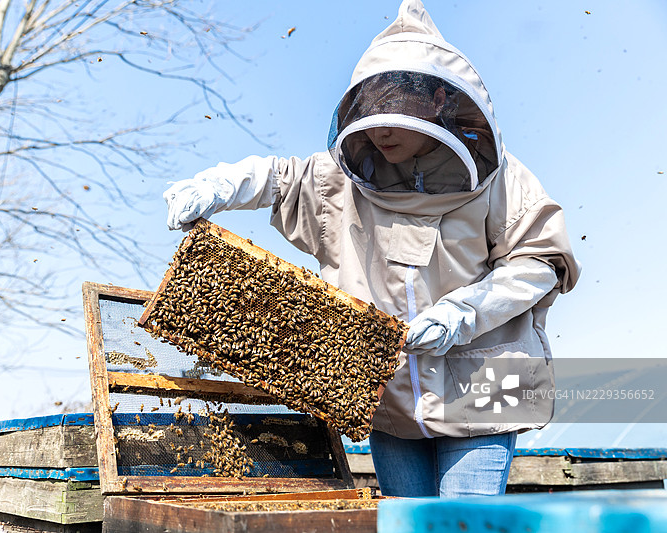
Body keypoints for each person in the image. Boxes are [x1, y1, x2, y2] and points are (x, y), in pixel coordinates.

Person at [162, 0, 580, 498]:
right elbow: (276, 178)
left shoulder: (503, 180)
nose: (380, 128)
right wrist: (219, 184)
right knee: (405, 525)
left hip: (482, 392)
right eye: (372, 109)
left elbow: (538, 264)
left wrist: (462, 313)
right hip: (389, 399)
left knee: (461, 527)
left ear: (438, 100)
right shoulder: (340, 180)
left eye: (396, 109)